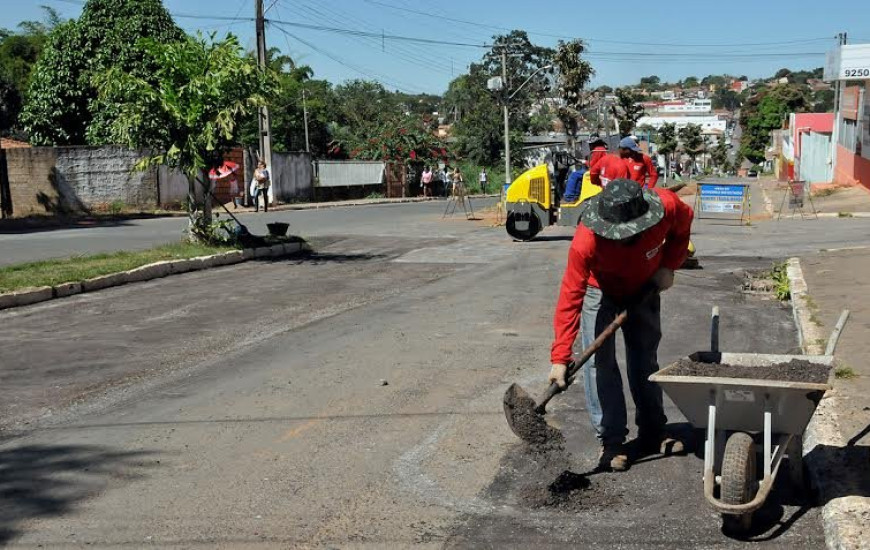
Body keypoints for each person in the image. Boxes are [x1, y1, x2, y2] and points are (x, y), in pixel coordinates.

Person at [549, 178, 694, 471]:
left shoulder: (667, 206)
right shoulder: (586, 240)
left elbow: (684, 225)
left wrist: (669, 265)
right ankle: (612, 440)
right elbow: (570, 295)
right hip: (598, 289)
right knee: (599, 365)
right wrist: (560, 357)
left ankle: (654, 431)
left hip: (646, 285)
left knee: (644, 358)